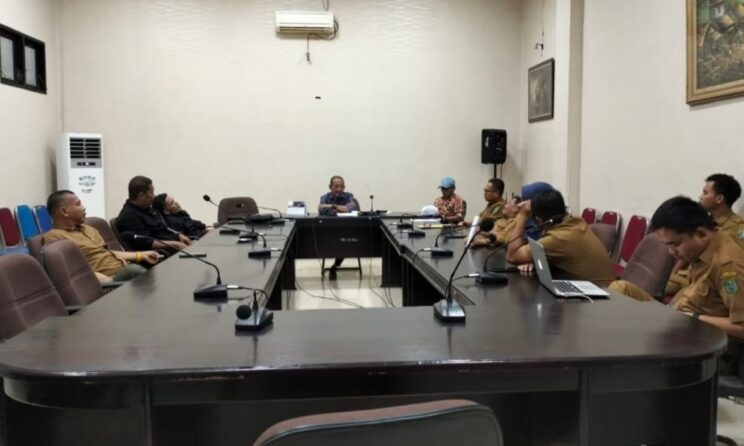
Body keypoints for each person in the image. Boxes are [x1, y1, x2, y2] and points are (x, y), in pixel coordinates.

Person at [611, 197, 744, 341]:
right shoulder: (705, 246)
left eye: (675, 244)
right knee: (620, 288)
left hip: (693, 334)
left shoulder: (729, 266)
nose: (671, 252)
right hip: (675, 315)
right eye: (667, 245)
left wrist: (694, 318)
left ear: (701, 234)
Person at [43, 190, 161, 283]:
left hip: (125, 270)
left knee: (155, 269)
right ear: (64, 211)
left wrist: (141, 255)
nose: (84, 208)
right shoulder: (55, 238)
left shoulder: (88, 229)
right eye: (78, 204)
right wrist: (110, 283)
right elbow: (73, 271)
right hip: (107, 282)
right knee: (138, 273)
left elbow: (107, 253)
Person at [505, 189, 615, 287]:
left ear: (538, 220)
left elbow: (512, 255)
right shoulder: (577, 222)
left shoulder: (558, 238)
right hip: (603, 290)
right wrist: (533, 260)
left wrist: (522, 215)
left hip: (596, 296)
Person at [666, 173, 744, 295]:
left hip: (710, 281)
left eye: (705, 193)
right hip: (689, 275)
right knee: (650, 283)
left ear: (719, 199)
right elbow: (687, 253)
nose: (700, 197)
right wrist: (673, 273)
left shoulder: (737, 229)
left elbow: (736, 266)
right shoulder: (703, 221)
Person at [115, 176, 191, 254]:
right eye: (151, 192)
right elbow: (146, 242)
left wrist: (178, 235)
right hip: (162, 254)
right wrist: (175, 244)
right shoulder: (128, 216)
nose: (154, 196)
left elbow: (162, 227)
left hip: (174, 245)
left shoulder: (147, 208)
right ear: (141, 195)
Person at [318, 175, 358, 279]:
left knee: (345, 242)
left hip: (347, 230)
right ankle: (335, 265)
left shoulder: (349, 196)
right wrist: (338, 208)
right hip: (329, 230)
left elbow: (349, 208)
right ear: (330, 187)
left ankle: (335, 266)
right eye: (336, 186)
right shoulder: (324, 197)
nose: (339, 189)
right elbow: (321, 209)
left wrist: (333, 206)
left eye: (341, 187)